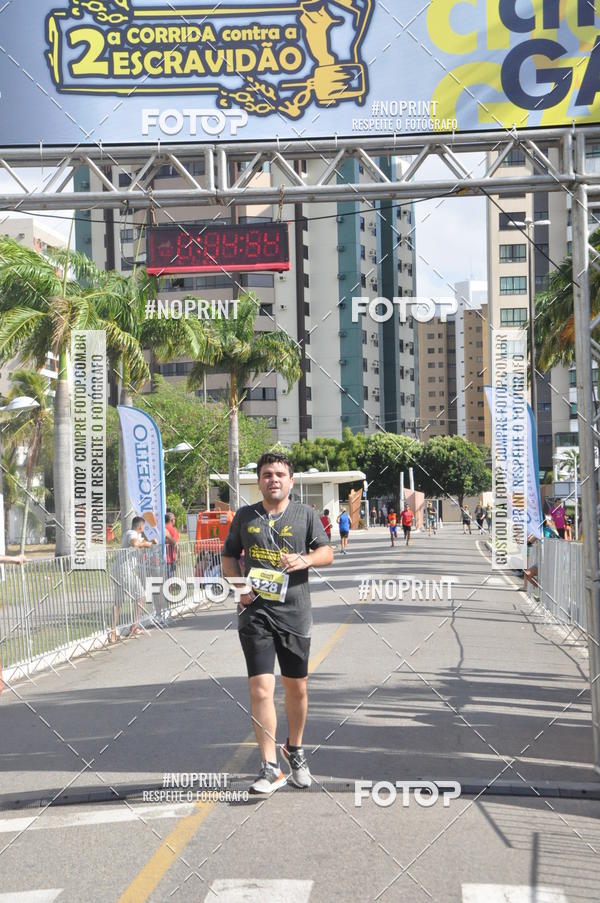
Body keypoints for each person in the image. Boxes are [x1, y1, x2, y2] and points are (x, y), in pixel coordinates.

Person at [222, 452, 333, 795]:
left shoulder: (306, 515)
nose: (273, 479)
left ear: (291, 481)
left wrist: (305, 559)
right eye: (267, 474)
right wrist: (240, 587)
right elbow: (228, 556)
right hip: (255, 614)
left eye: (280, 474)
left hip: (295, 615)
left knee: (296, 688)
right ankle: (269, 766)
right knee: (260, 688)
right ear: (259, 481)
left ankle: (295, 749)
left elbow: (327, 553)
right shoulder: (245, 516)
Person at [110, 516, 158, 644]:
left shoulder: (133, 533)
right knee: (141, 596)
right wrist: (147, 544)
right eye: (143, 529)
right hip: (124, 571)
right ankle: (133, 626)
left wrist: (150, 541)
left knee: (118, 601)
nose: (143, 531)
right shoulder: (132, 533)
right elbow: (135, 543)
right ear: (140, 527)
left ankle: (113, 631)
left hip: (118, 569)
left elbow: (142, 540)